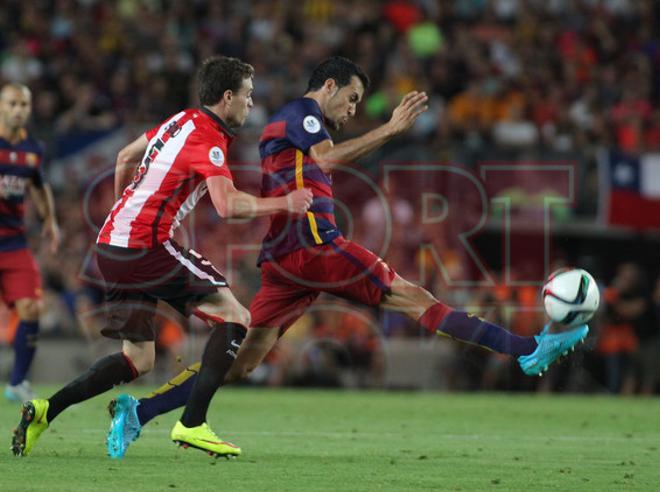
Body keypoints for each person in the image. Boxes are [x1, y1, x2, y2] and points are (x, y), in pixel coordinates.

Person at [108, 56, 590, 458]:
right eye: (353, 98)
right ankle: (527, 351)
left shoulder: (290, 126)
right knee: (414, 296)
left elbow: (317, 164)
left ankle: (140, 413)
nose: (353, 109)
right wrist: (392, 128)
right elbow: (328, 159)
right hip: (315, 246)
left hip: (284, 258)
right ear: (330, 86)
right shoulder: (302, 112)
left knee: (240, 363)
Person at [11, 55, 313, 458]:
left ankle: (47, 411)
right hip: (144, 246)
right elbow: (227, 206)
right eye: (248, 95)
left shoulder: (179, 121)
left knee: (138, 357)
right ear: (227, 97)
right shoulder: (208, 137)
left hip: (111, 244)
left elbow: (123, 157)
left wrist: (124, 208)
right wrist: (284, 204)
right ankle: (193, 423)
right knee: (237, 317)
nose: (251, 104)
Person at [0, 83, 60, 402]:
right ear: (1, 106)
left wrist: (50, 219)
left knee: (32, 307)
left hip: (13, 243)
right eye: (12, 103)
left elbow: (39, 185)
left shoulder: (32, 149)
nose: (18, 110)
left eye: (23, 104)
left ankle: (17, 382)